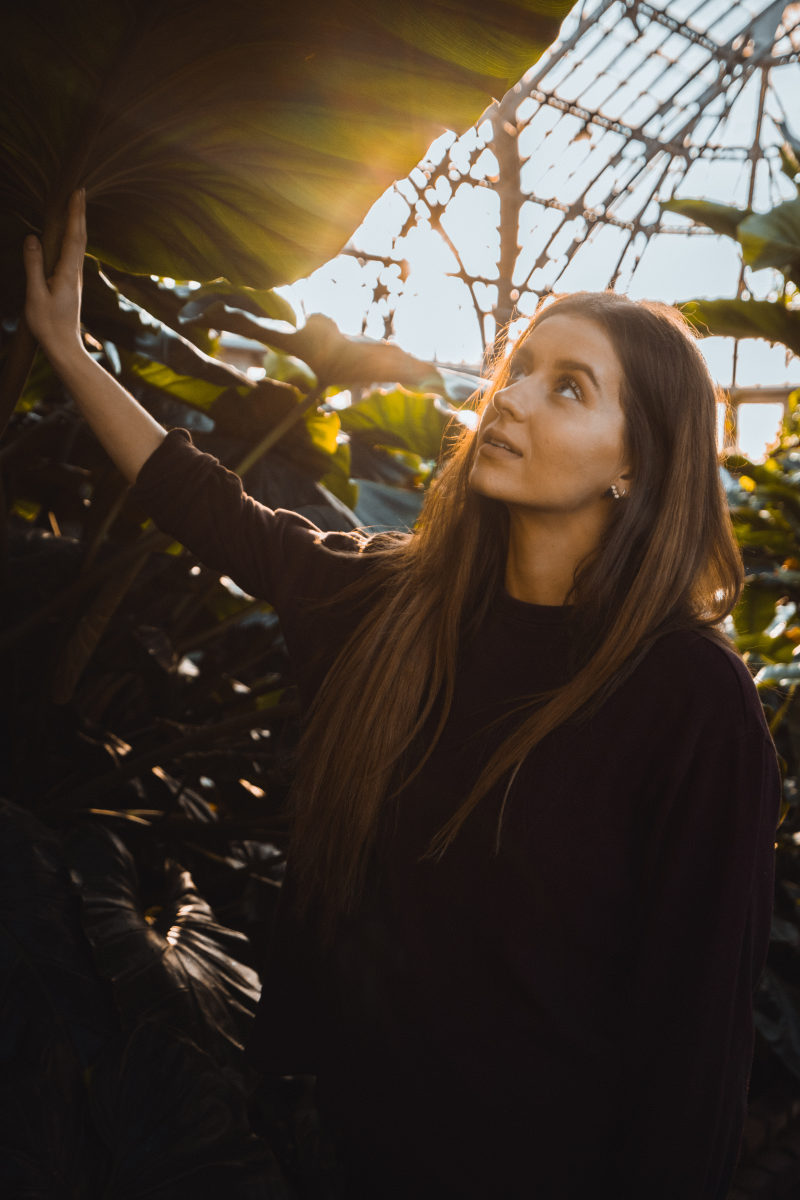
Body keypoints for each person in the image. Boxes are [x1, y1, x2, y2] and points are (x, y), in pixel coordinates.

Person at [24, 188, 780, 1199]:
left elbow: (692, 1040)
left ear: (634, 463)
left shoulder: (689, 701)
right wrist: (69, 353)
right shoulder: (392, 602)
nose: (507, 399)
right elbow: (213, 510)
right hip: (336, 1156)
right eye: (518, 371)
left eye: (566, 388)